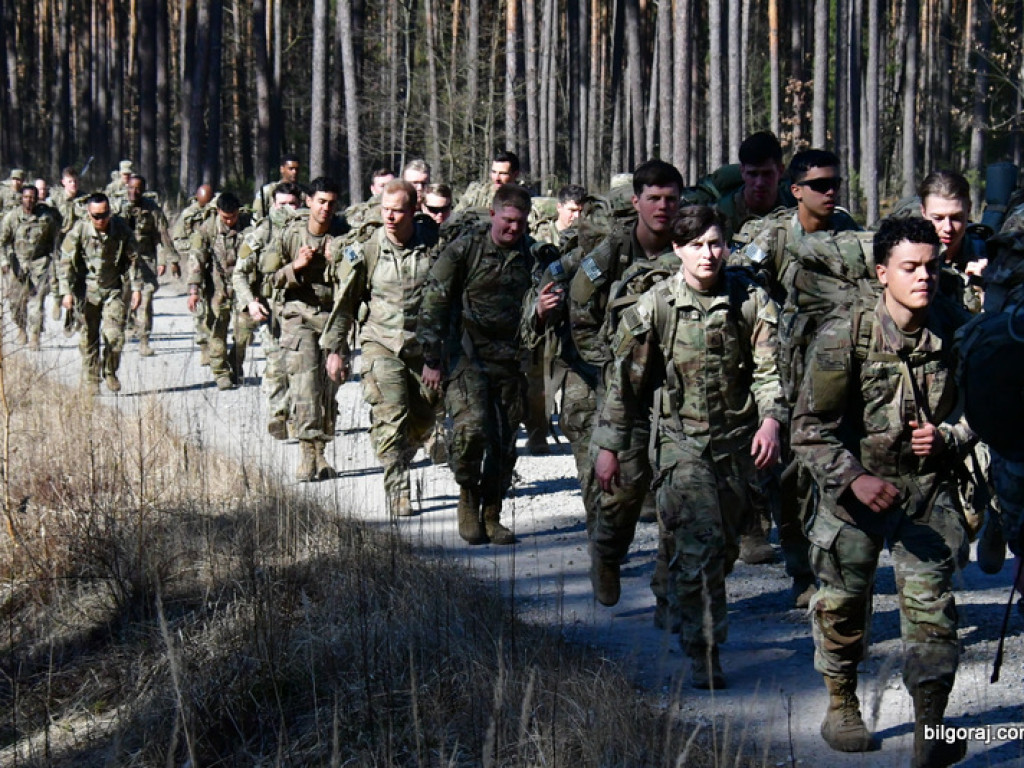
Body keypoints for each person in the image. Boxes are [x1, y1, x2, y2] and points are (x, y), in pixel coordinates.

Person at [792, 217, 971, 765]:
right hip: (856, 494)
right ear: (881, 272)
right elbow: (808, 428)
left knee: (932, 613)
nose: (924, 278)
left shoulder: (954, 327)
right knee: (843, 606)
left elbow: (982, 409)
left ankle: (931, 729)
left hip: (925, 492)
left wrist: (947, 436)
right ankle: (842, 704)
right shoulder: (845, 334)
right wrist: (854, 478)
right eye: (910, 267)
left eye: (932, 267)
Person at [593, 206, 785, 688]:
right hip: (681, 446)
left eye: (716, 243)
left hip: (738, 447)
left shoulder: (751, 301)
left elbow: (769, 370)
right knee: (700, 549)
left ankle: (671, 589)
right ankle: (705, 653)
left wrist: (771, 422)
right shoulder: (655, 306)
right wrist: (611, 448)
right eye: (697, 245)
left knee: (724, 549)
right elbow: (625, 385)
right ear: (677, 249)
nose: (708, 254)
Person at [732, 148, 862, 599]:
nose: (830, 193)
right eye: (820, 185)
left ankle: (838, 567)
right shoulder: (770, 236)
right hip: (788, 374)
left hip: (840, 373)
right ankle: (801, 569)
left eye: (834, 184)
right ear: (797, 191)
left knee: (836, 467)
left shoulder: (849, 233)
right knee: (787, 478)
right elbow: (738, 285)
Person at [561, 160, 682, 622]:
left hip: (675, 392)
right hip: (623, 390)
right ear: (636, 202)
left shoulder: (689, 247)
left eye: (671, 199)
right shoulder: (611, 252)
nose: (663, 207)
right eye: (654, 198)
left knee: (677, 492)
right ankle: (607, 554)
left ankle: (668, 593)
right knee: (623, 492)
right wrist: (609, 365)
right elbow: (581, 311)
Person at [418, 183, 540, 545]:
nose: (513, 229)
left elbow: (548, 302)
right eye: (507, 220)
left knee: (504, 443)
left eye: (520, 222)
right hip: (465, 357)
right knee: (472, 430)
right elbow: (433, 303)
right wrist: (432, 358)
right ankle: (468, 495)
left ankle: (492, 512)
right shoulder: (463, 251)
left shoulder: (533, 256)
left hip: (511, 361)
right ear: (493, 214)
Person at [323, 179, 442, 516]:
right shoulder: (369, 248)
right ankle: (398, 490)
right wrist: (336, 350)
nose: (390, 217)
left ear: (413, 209)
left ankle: (403, 452)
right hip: (381, 344)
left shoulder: (432, 244)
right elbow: (346, 303)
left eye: (398, 211)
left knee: (424, 416)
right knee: (391, 418)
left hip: (422, 347)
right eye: (385, 210)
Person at [265, 177, 347, 481]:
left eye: (331, 203)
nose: (325, 208)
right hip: (298, 316)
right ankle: (306, 454)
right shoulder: (289, 234)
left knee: (329, 387)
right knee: (304, 386)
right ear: (309, 201)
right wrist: (295, 268)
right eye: (320, 201)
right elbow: (266, 279)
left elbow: (357, 277)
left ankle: (321, 453)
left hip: (333, 318)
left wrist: (336, 260)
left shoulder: (344, 234)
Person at [233, 182, 301, 439]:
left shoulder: (309, 229)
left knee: (300, 364)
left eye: (292, 204)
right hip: (271, 309)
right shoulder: (260, 234)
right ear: (273, 205)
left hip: (302, 309)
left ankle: (297, 416)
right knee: (276, 364)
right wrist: (251, 302)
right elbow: (239, 274)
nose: (287, 210)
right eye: (282, 204)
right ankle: (278, 414)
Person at [58, 192, 141, 393]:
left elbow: (134, 260)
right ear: (89, 213)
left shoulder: (121, 229)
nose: (100, 220)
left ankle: (110, 371)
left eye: (104, 215)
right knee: (89, 337)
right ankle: (91, 378)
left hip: (113, 289)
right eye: (96, 216)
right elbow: (65, 262)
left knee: (115, 337)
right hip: (86, 291)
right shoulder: (80, 230)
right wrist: (66, 292)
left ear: (110, 212)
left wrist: (137, 288)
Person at [187, 192, 253, 390]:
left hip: (243, 286)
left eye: (233, 216)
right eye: (225, 217)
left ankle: (235, 363)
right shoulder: (207, 229)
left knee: (245, 332)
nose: (230, 221)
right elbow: (196, 260)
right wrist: (194, 290)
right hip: (218, 288)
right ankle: (220, 372)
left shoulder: (249, 227)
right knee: (217, 331)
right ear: (218, 212)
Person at [117, 175, 180, 356]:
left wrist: (172, 259)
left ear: (143, 190)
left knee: (146, 297)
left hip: (145, 260)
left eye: (138, 188)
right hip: (123, 261)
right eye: (130, 188)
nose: (133, 192)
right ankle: (120, 334)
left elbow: (163, 235)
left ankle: (144, 340)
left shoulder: (152, 209)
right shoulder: (117, 207)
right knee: (123, 298)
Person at [0, 184, 58, 348]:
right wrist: (4, 262)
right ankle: (21, 328)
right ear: (21, 198)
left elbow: (54, 240)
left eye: (32, 197)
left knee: (36, 301)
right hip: (17, 263)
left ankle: (34, 335)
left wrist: (52, 261)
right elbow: (2, 242)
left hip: (38, 263)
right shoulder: (12, 217)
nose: (29, 200)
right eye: (26, 197)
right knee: (16, 303)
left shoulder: (45, 218)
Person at [918, 170, 985, 313]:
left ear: (969, 210)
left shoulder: (986, 257)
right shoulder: (906, 258)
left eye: (956, 218)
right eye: (938, 218)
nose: (948, 228)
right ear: (923, 212)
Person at [717, 130, 794, 243]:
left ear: (780, 171)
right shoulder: (722, 213)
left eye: (767, 174)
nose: (759, 183)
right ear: (742, 172)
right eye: (752, 174)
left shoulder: (794, 208)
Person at [173, 184, 217, 365]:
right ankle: (204, 346)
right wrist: (194, 247)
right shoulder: (188, 215)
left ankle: (216, 341)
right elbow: (178, 240)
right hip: (196, 264)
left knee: (217, 305)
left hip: (217, 264)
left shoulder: (218, 210)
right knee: (199, 306)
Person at [455, 150, 521, 211]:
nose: (496, 178)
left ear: (515, 175)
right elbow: (455, 217)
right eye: (494, 172)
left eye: (502, 173)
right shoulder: (477, 193)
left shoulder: (525, 200)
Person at [253, 153, 300, 220]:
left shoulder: (304, 193)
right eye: (291, 169)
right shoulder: (267, 191)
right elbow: (257, 216)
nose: (294, 172)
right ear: (282, 169)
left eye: (297, 169)